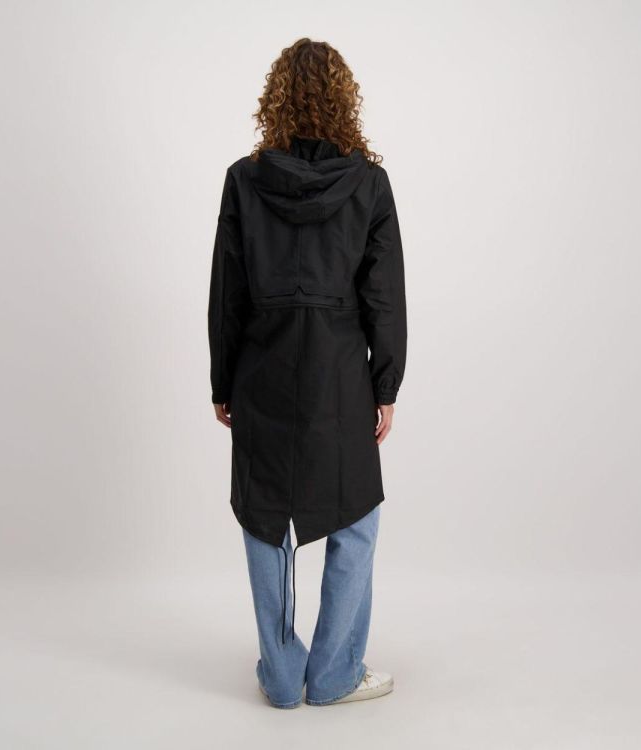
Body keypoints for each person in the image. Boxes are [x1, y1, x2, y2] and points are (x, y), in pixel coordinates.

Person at [207, 37, 407, 708]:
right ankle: (333, 674)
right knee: (354, 516)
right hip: (341, 373)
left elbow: (228, 290)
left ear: (276, 100)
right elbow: (384, 295)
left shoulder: (244, 179)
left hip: (262, 366)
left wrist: (223, 381)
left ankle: (282, 674)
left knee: (266, 517)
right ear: (344, 99)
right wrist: (386, 385)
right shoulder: (368, 183)